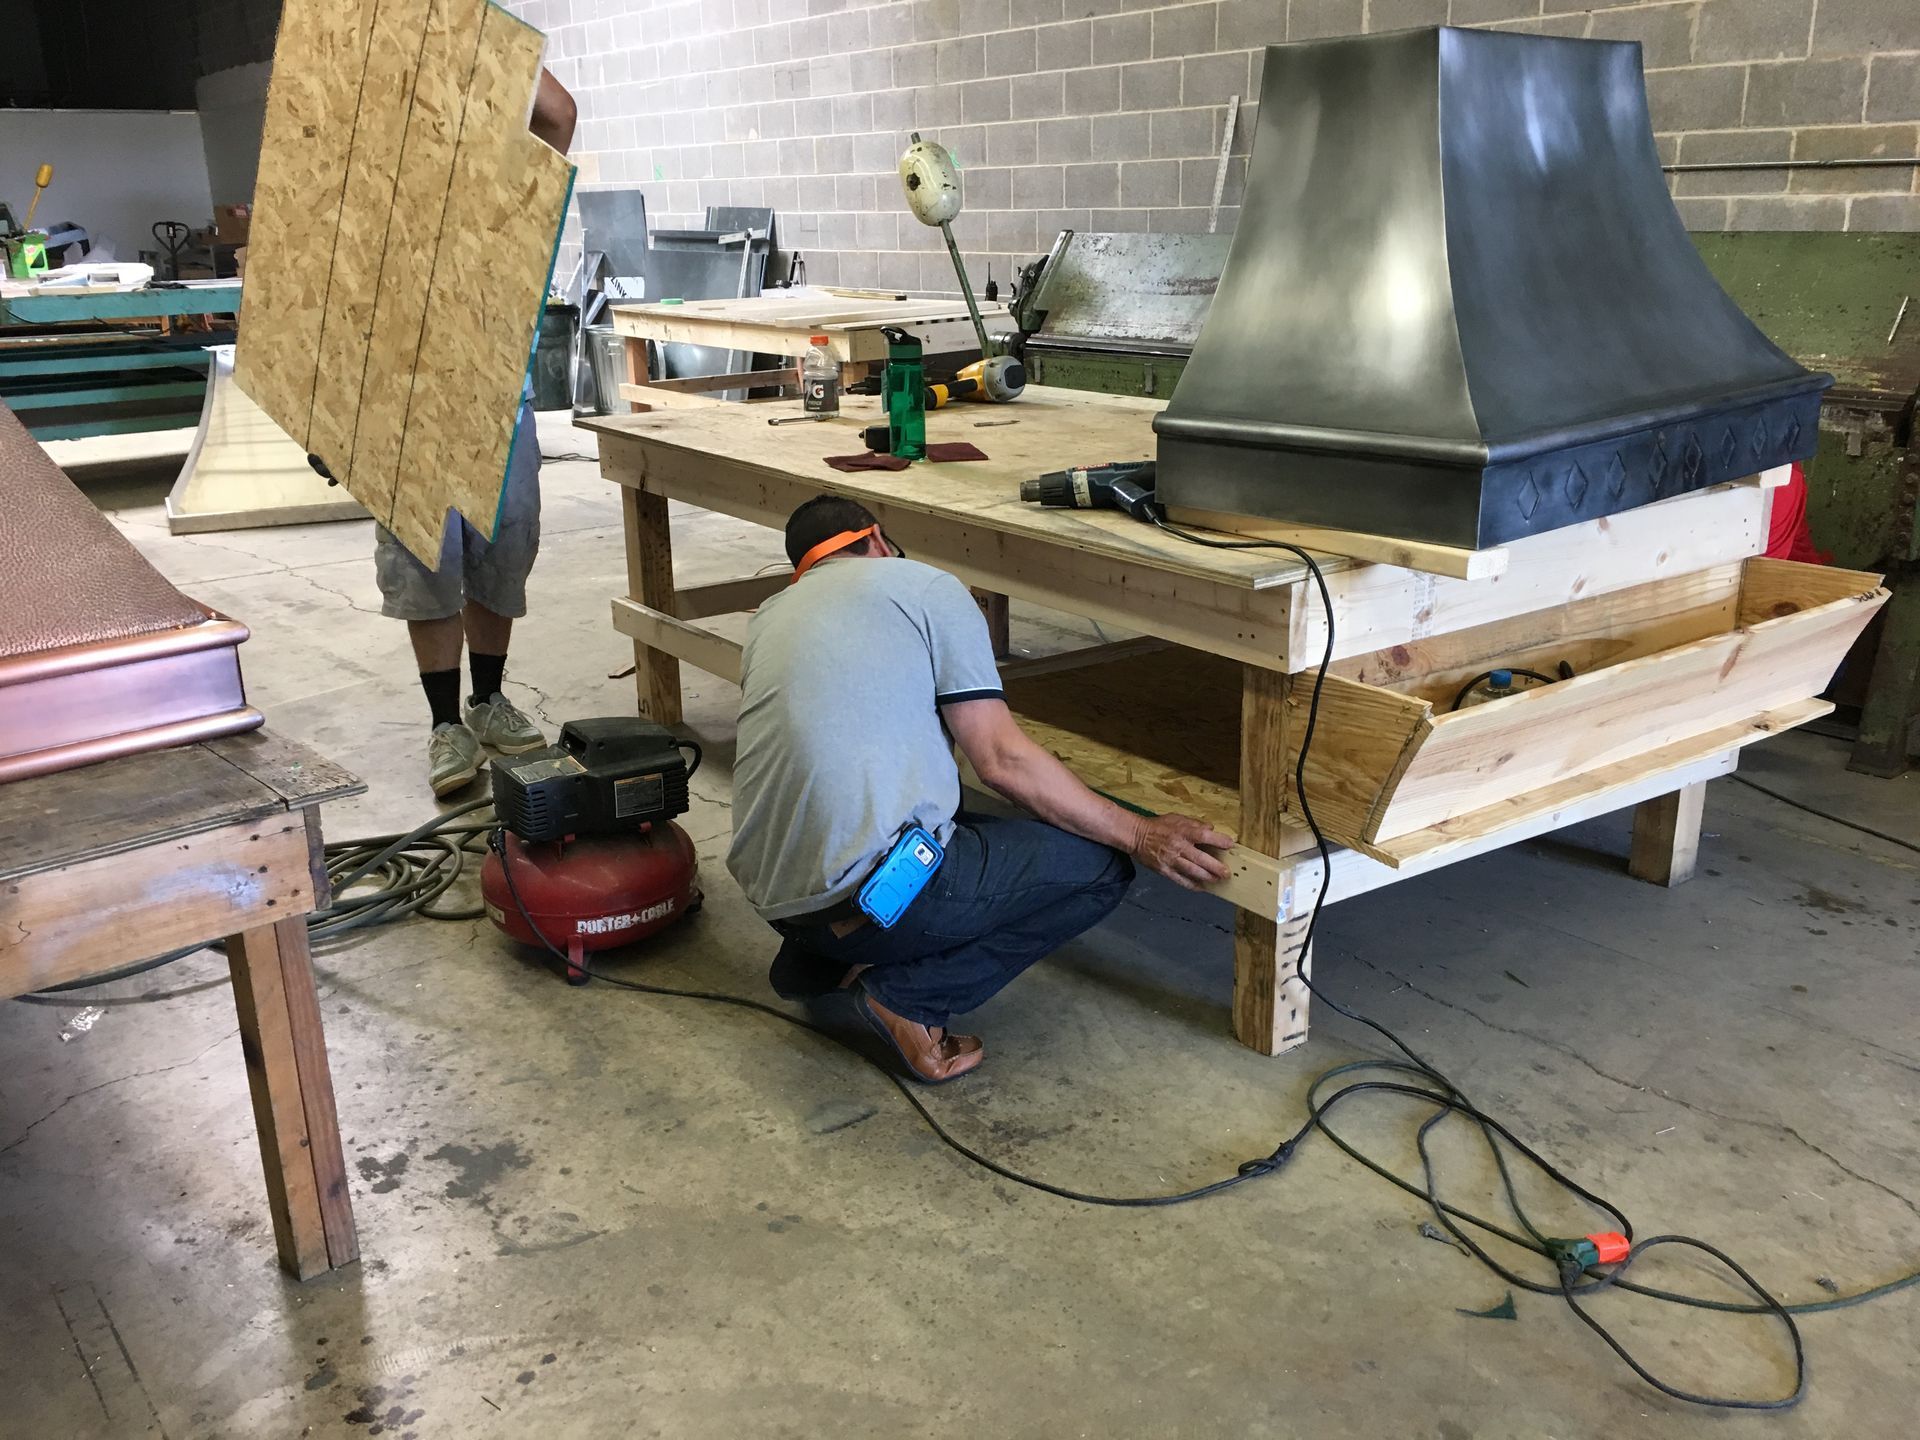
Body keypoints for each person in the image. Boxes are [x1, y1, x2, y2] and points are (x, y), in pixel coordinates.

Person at [727, 496, 1234, 1084]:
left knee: (951, 817)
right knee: (1101, 866)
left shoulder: (769, 616)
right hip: (868, 903)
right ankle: (911, 1000)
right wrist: (1141, 832)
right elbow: (1000, 760)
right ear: (877, 540)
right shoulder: (924, 586)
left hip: (775, 901)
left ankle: (815, 964)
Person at [375, 69, 578, 796]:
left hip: (501, 404)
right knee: (429, 563)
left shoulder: (506, 207)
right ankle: (444, 724)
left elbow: (556, 113)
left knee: (504, 550)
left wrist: (470, 35)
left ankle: (487, 703)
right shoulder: (374, 208)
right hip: (404, 410)